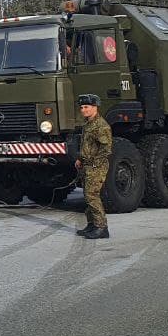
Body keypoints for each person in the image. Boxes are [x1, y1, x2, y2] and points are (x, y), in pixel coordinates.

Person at [74, 94, 112, 239]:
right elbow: (86, 145)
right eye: (82, 107)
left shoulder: (101, 125)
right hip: (87, 165)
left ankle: (102, 227)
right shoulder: (88, 124)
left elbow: (106, 148)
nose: (83, 110)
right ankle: (92, 224)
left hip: (97, 166)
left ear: (94, 107)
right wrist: (80, 159)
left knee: (92, 195)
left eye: (86, 107)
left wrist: (95, 163)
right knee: (87, 195)